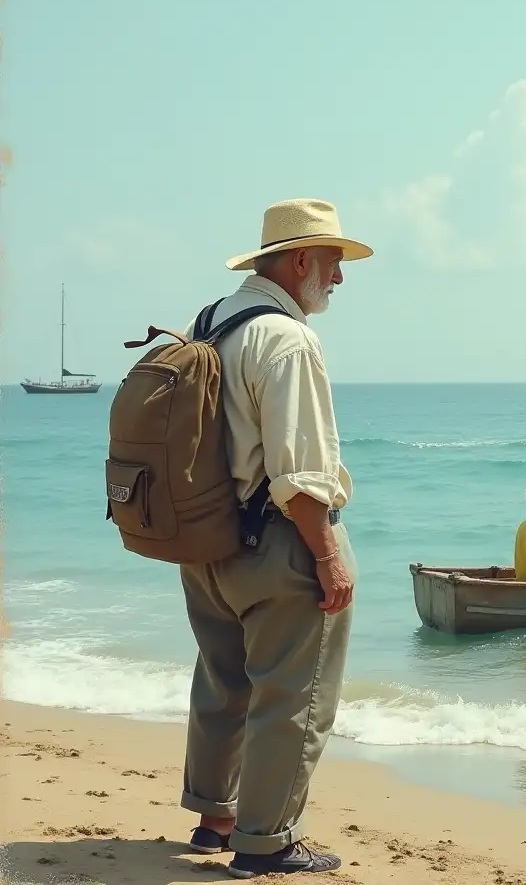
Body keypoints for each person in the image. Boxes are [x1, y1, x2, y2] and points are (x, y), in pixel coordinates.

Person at [178, 198, 372, 879]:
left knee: (224, 683)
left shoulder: (212, 321)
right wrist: (327, 557)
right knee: (294, 696)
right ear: (298, 261)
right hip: (278, 542)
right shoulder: (288, 341)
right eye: (332, 263)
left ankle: (215, 818)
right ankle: (267, 842)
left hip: (207, 541)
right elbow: (300, 474)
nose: (339, 280)